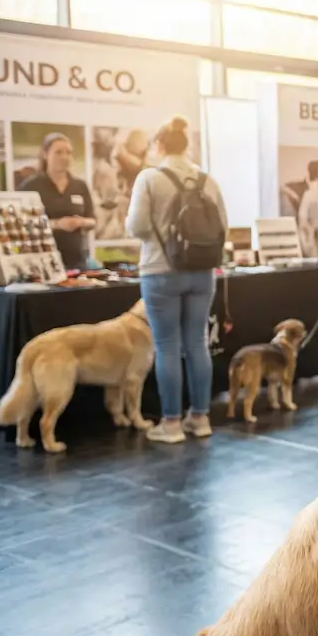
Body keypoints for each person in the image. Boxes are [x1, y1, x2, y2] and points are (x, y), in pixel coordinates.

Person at [126, 116, 228, 443]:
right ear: (187, 145)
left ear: (158, 145)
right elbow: (222, 224)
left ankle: (170, 424)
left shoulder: (149, 178)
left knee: (166, 346)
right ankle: (200, 418)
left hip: (160, 271)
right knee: (197, 343)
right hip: (202, 272)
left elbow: (137, 227)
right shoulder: (207, 180)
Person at [20, 132, 95, 270]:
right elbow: (23, 223)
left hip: (77, 262)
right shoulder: (31, 186)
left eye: (68, 152)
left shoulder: (80, 185)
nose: (64, 157)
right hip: (42, 263)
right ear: (45, 154)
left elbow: (92, 220)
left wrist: (81, 222)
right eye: (58, 152)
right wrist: (57, 224)